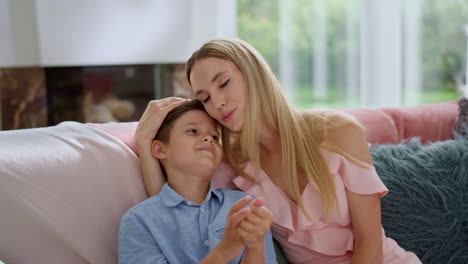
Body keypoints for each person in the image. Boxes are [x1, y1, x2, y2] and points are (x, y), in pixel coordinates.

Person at [135, 39, 422, 263]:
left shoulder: (339, 132)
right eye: (205, 98)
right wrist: (145, 141)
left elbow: (369, 244)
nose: (218, 102)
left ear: (254, 74)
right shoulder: (232, 166)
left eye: (223, 83)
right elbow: (172, 209)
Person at [119, 100, 277, 264]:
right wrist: (223, 253)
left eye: (215, 137)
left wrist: (255, 245)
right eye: (193, 131)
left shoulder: (245, 206)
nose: (209, 138)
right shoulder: (140, 221)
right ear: (160, 149)